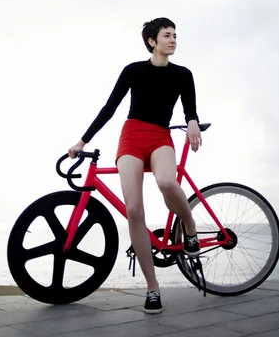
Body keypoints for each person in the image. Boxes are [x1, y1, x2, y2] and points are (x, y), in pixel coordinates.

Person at [68, 17, 202, 314]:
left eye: (175, 35)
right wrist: (82, 142)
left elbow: (190, 108)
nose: (173, 40)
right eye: (167, 35)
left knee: (167, 182)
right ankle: (153, 289)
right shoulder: (133, 71)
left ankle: (189, 227)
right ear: (152, 41)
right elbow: (109, 108)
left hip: (160, 137)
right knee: (133, 210)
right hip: (131, 136)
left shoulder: (183, 74)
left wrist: (193, 122)